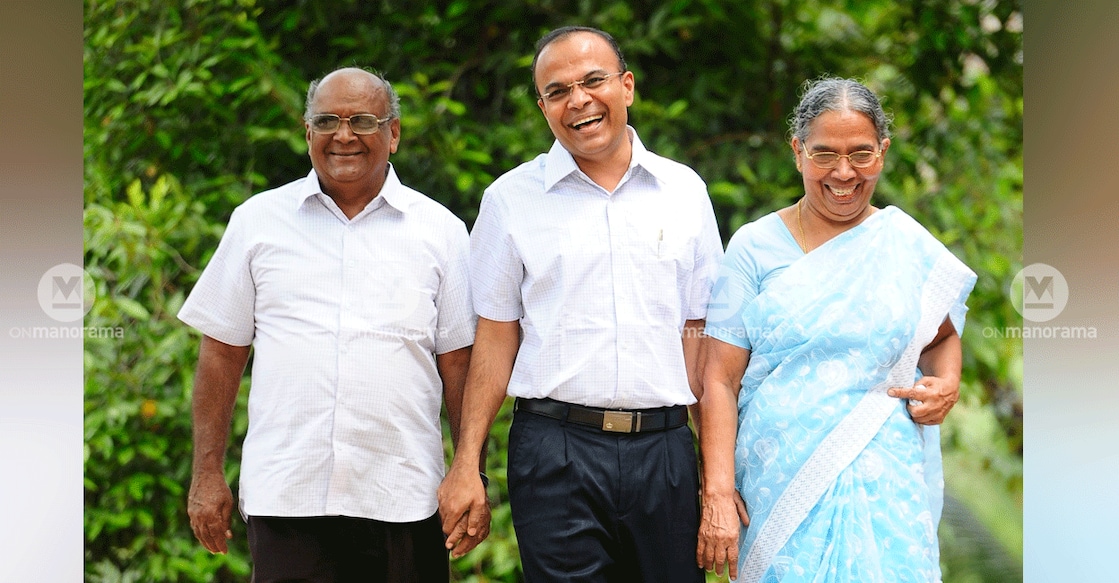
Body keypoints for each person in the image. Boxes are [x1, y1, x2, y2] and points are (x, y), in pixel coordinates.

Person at [436, 26, 723, 582]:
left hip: (663, 450)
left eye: (594, 81)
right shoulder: (510, 200)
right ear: (543, 106)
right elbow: (495, 336)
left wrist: (715, 480)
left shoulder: (685, 191)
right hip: (555, 452)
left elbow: (701, 334)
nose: (579, 100)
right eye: (558, 90)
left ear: (627, 87)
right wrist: (466, 463)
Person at [178, 66, 477, 583]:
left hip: (403, 497)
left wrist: (471, 470)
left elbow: (460, 365)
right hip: (288, 497)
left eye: (363, 120)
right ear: (307, 132)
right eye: (327, 121)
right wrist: (206, 474)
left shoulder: (442, 231)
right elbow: (221, 354)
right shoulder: (257, 222)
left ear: (394, 133)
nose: (344, 135)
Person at [695, 77, 977, 582]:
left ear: (883, 152)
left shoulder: (904, 244)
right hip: (779, 482)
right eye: (824, 154)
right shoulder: (754, 247)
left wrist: (946, 383)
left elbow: (941, 339)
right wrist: (717, 490)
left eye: (861, 154)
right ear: (798, 151)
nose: (843, 172)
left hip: (885, 483)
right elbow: (718, 378)